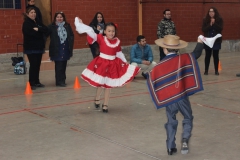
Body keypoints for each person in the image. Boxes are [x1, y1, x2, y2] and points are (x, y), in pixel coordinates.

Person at [147, 35, 207, 155]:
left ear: (164, 49)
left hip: (169, 99)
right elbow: (196, 53)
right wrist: (200, 42)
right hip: (182, 97)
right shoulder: (183, 59)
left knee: (171, 121)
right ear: (178, 48)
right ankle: (185, 139)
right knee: (188, 117)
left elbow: (151, 77)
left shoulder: (159, 66)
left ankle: (170, 147)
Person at [74, 17, 140, 113]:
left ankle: (105, 104)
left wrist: (124, 61)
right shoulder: (101, 38)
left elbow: (119, 53)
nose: (111, 33)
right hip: (102, 63)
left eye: (113, 31)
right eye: (109, 31)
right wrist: (82, 24)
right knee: (101, 83)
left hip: (112, 65)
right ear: (105, 31)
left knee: (108, 85)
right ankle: (97, 98)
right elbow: (91, 32)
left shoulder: (117, 41)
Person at [22, 7, 48, 90]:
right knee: (33, 65)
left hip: (39, 47)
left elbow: (46, 29)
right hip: (31, 48)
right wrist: (40, 33)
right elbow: (31, 34)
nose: (33, 14)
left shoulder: (38, 22)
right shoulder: (26, 23)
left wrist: (39, 29)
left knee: (37, 65)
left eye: (34, 12)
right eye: (31, 12)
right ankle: (31, 82)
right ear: (27, 14)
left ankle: (37, 81)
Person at [47, 12, 74, 87]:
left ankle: (63, 80)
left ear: (63, 18)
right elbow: (45, 33)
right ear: (55, 18)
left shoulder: (67, 26)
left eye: (61, 17)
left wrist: (70, 42)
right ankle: (59, 81)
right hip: (57, 49)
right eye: (58, 17)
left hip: (65, 48)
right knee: (58, 65)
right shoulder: (52, 26)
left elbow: (71, 35)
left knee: (64, 65)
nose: (59, 18)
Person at [202, 7, 223, 75]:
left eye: (212, 11)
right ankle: (206, 70)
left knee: (215, 56)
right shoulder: (205, 20)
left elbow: (220, 29)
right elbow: (204, 29)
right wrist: (210, 24)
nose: (211, 13)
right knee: (207, 55)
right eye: (210, 12)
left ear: (215, 12)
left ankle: (216, 70)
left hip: (216, 41)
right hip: (208, 41)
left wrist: (214, 23)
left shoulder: (219, 19)